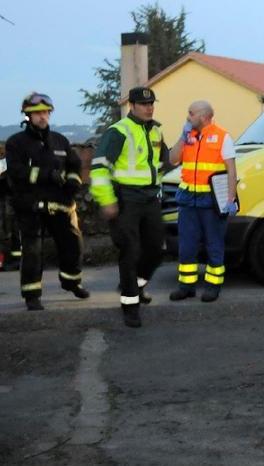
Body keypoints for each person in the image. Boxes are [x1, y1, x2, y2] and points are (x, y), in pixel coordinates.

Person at [90, 87, 171, 327]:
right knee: (130, 251)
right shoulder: (118, 132)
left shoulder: (156, 130)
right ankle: (130, 305)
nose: (149, 107)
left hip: (150, 198)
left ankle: (136, 284)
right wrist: (107, 200)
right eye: (143, 104)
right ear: (131, 106)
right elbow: (99, 168)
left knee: (156, 249)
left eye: (151, 103)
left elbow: (165, 162)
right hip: (125, 199)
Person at [5, 92, 88, 311]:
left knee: (73, 243)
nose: (42, 117)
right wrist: (45, 175)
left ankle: (72, 282)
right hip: (30, 206)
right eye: (37, 113)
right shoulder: (16, 143)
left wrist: (73, 182)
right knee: (32, 251)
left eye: (45, 113)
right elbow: (15, 171)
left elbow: (74, 165)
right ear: (27, 117)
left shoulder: (60, 140)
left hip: (59, 204)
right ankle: (32, 295)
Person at [167, 101, 238, 303]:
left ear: (203, 116)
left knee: (214, 245)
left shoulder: (223, 136)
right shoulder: (188, 136)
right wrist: (182, 136)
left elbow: (232, 170)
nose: (187, 116)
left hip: (211, 201)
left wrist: (230, 198)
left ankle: (213, 287)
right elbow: (172, 159)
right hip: (188, 200)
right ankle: (186, 287)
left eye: (191, 113)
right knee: (187, 246)